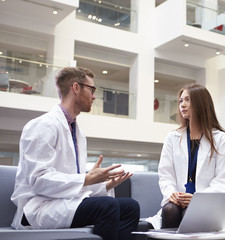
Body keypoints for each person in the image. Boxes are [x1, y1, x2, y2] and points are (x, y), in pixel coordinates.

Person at [11, 67, 140, 240]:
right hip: (38, 208)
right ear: (76, 88)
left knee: (130, 207)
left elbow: (72, 184)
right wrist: (87, 178)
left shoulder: (77, 133)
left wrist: (103, 185)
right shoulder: (42, 125)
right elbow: (38, 181)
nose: (94, 96)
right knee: (107, 206)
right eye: (92, 90)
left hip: (63, 202)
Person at [147, 83, 225, 229]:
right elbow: (165, 173)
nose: (183, 105)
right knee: (169, 210)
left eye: (188, 100)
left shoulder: (220, 139)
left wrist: (197, 199)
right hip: (177, 200)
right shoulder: (172, 137)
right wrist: (171, 194)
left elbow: (222, 180)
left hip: (205, 202)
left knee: (191, 212)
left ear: (201, 103)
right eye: (181, 101)